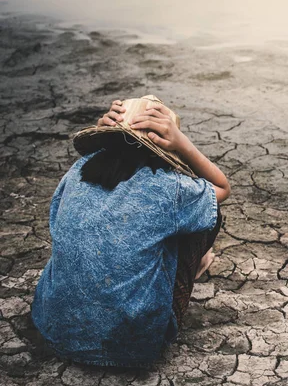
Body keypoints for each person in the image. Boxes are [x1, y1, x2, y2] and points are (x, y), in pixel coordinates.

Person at [31, 95, 230, 367]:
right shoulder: (168, 189)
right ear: (164, 147)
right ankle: (189, 271)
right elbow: (222, 188)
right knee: (207, 209)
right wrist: (183, 144)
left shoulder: (77, 171)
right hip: (132, 345)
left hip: (54, 328)